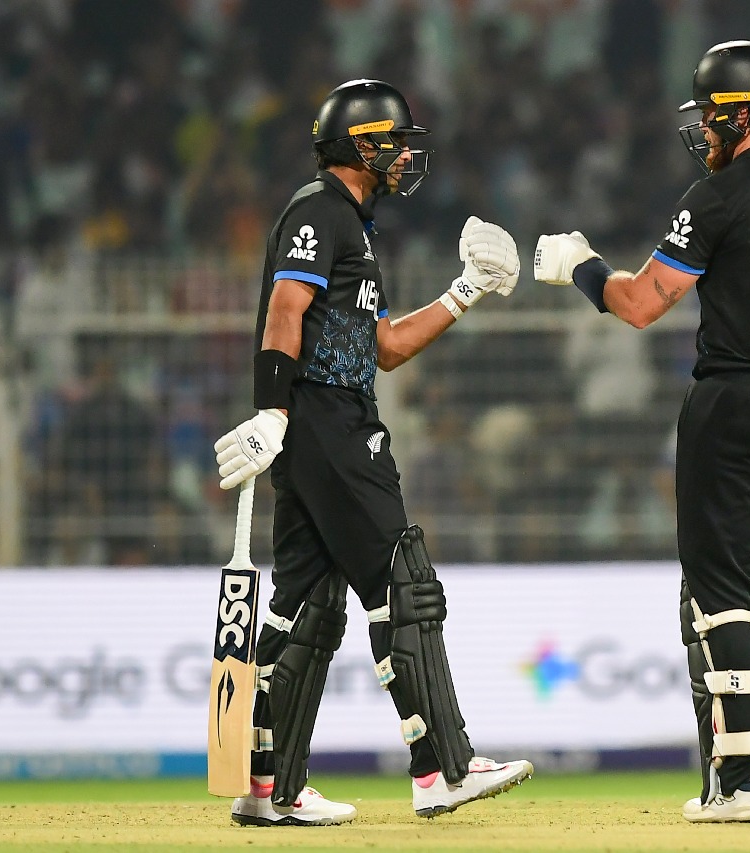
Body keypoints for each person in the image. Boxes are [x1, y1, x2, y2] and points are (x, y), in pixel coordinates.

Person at [533, 41, 750, 823]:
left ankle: (742, 778)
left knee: (720, 593)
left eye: (711, 117)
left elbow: (642, 303)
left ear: (739, 116)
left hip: (733, 405)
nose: (703, 132)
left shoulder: (717, 198)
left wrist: (582, 267)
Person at [213, 79, 532, 827]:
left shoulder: (350, 226)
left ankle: (268, 787)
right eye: (396, 143)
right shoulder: (320, 211)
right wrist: (272, 411)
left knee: (305, 607)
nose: (406, 158)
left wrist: (464, 291)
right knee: (403, 584)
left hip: (320, 423)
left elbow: (384, 346)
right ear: (363, 146)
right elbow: (284, 310)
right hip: (328, 422)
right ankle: (442, 769)